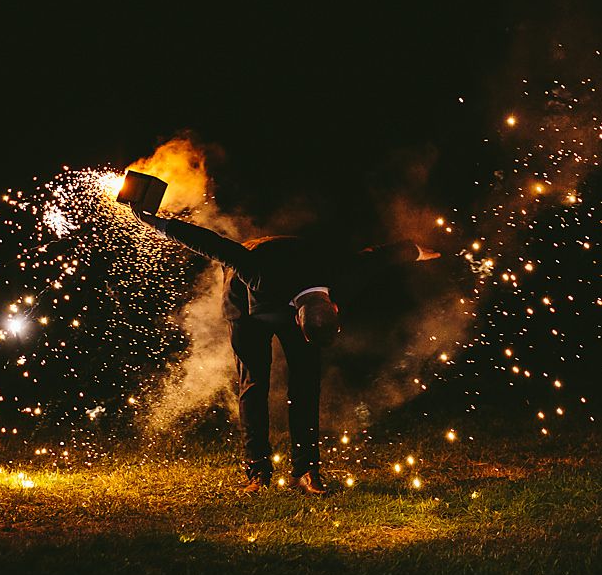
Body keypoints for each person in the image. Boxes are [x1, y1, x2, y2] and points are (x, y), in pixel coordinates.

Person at [132, 207, 440, 495]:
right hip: (247, 303)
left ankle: (306, 471)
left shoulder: (343, 273)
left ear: (333, 305)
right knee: (254, 383)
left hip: (297, 275)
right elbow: (215, 245)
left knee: (306, 382)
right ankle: (257, 472)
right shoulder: (259, 273)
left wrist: (416, 251)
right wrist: (158, 223)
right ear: (297, 319)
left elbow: (380, 256)